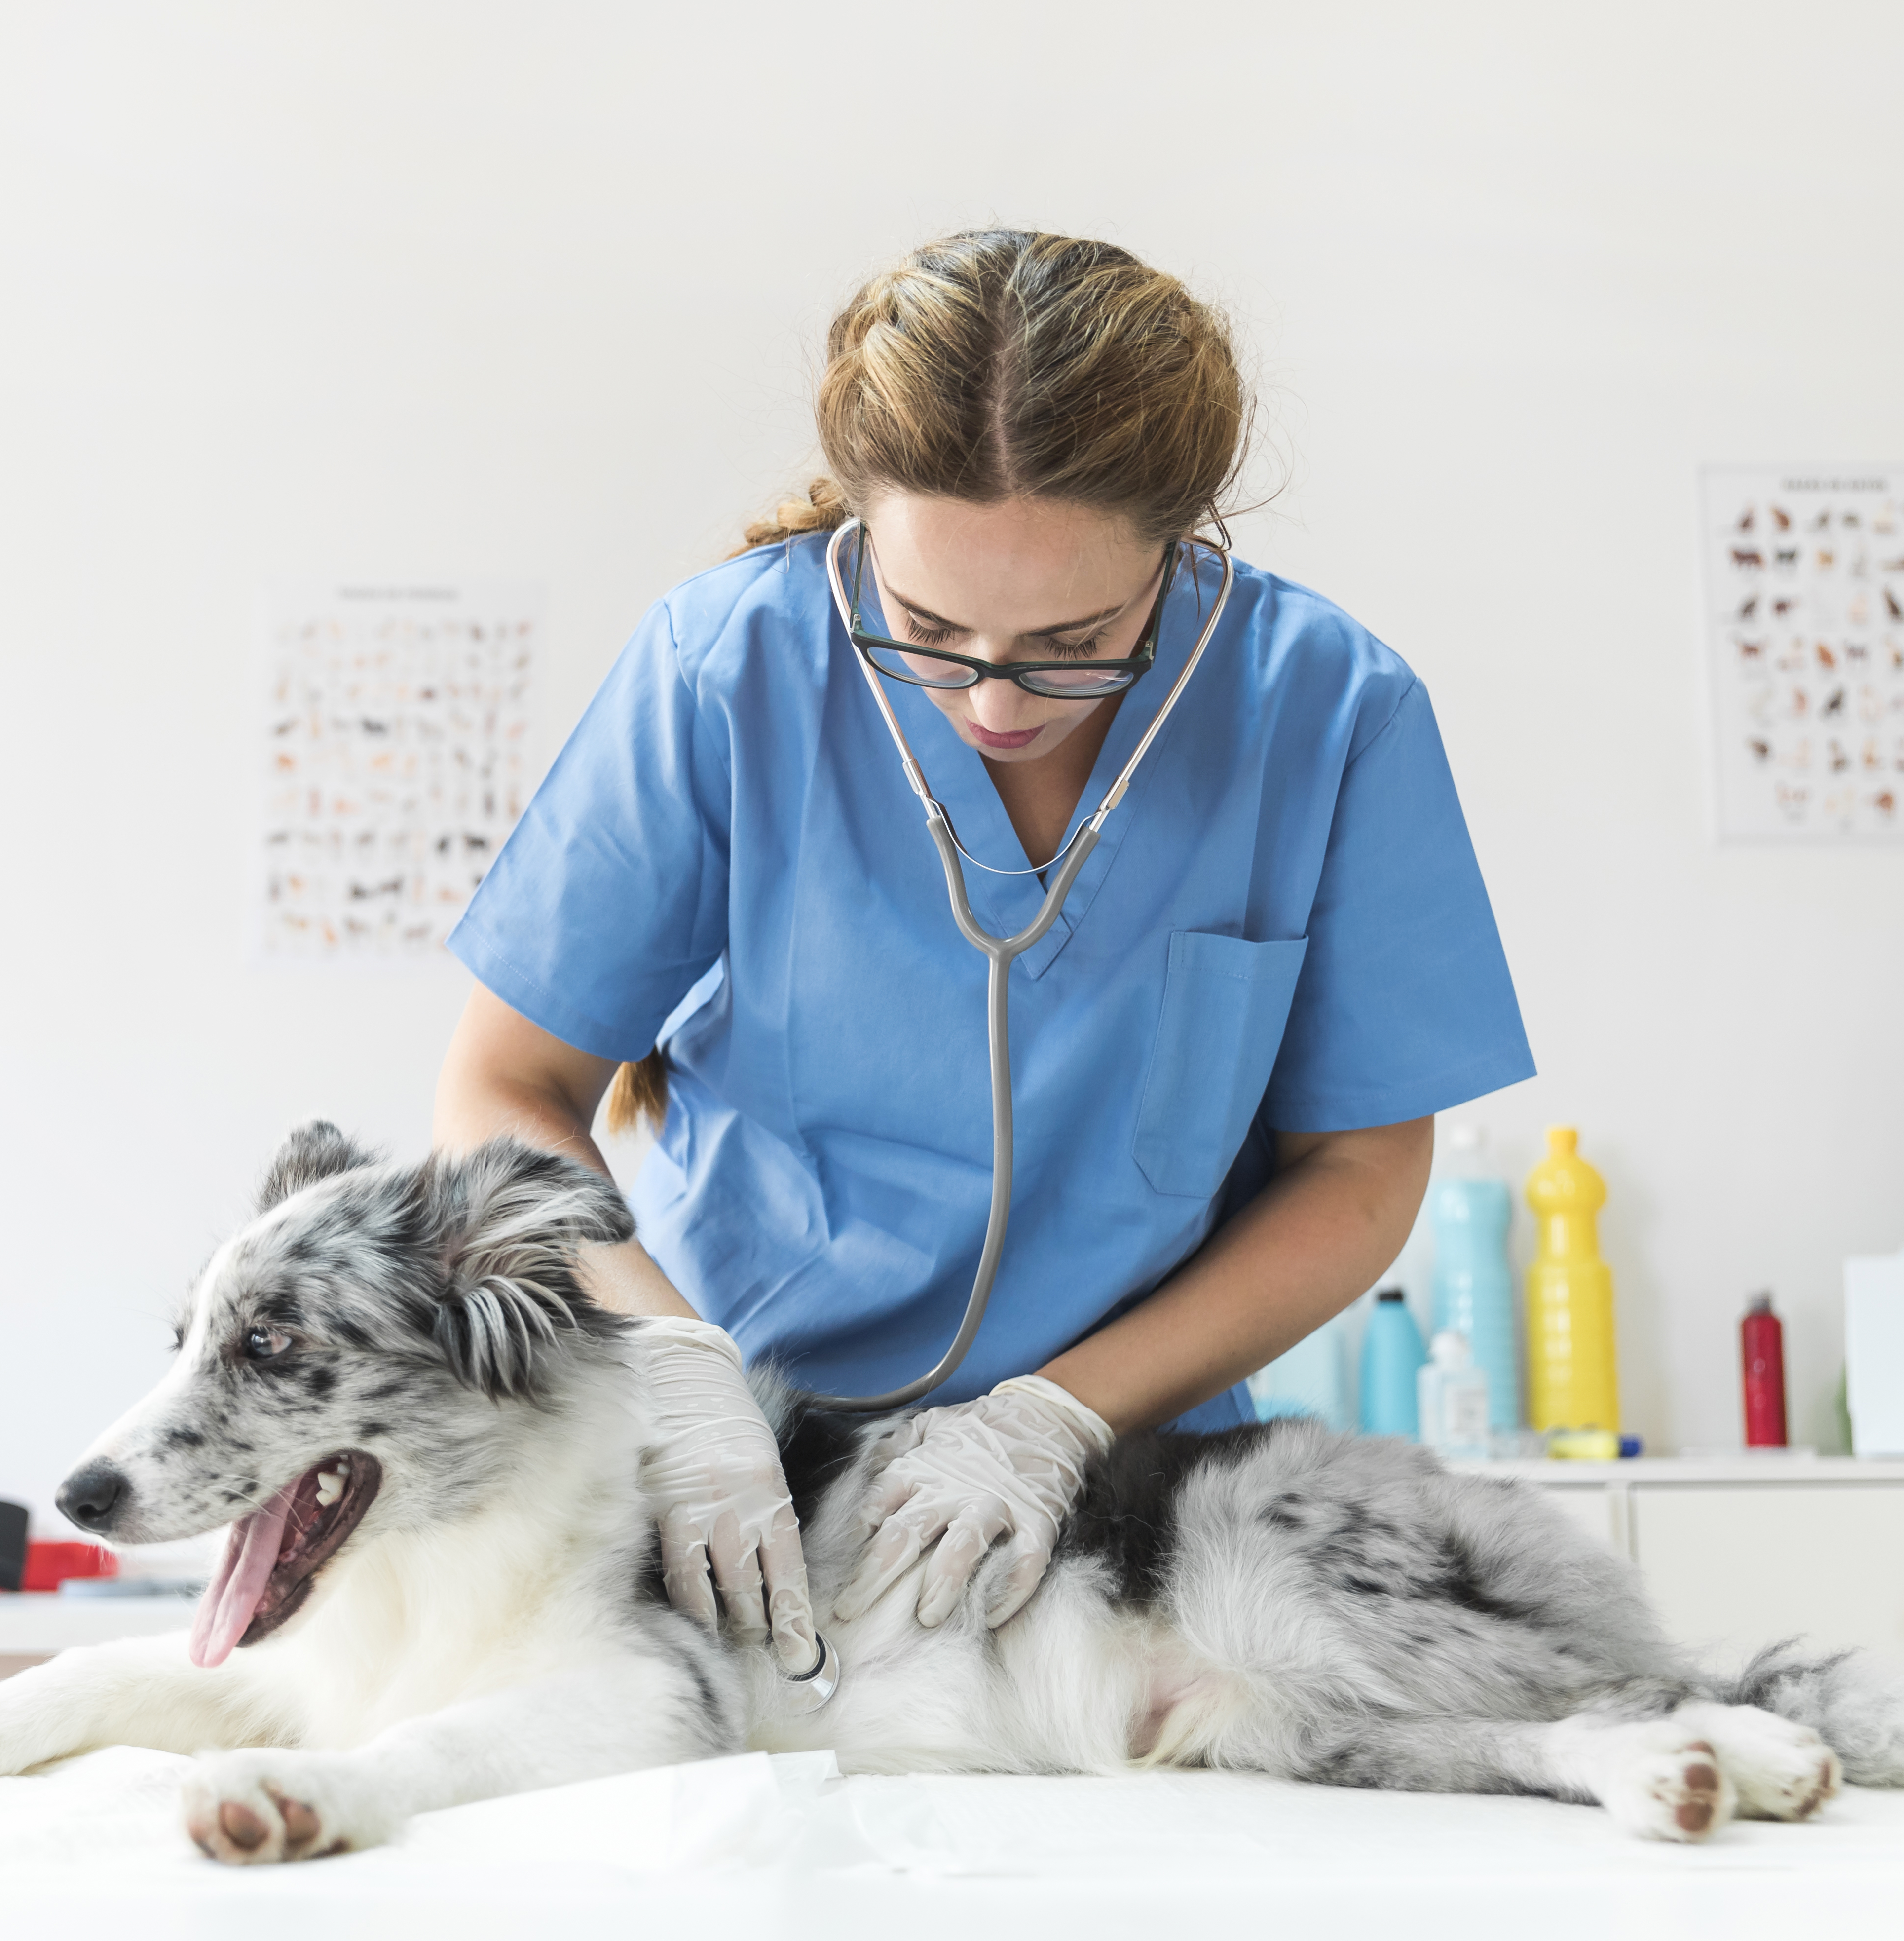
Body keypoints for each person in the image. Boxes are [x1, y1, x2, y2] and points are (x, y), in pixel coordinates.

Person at [432, 230, 1533, 1678]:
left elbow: (1362, 1173)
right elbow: (503, 1092)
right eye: (927, 628)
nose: (994, 701)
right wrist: (676, 1372)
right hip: (742, 1479)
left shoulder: (1326, 712)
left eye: (1074, 638)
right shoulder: (725, 671)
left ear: (1182, 541)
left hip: (1122, 1489)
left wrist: (1055, 1419)